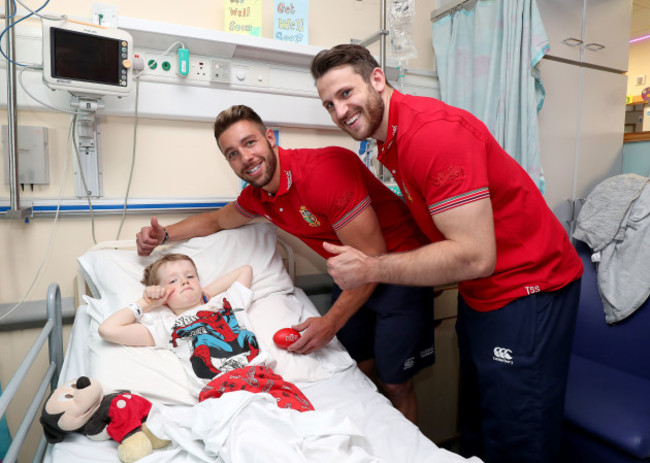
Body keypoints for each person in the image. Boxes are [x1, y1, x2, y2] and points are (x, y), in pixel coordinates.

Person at [310, 44, 584, 463]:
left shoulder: (430, 134)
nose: (339, 111)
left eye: (346, 94)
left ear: (377, 80)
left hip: (530, 287)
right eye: (329, 104)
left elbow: (475, 256)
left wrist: (371, 267)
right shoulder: (392, 142)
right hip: (483, 294)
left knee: (519, 435)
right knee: (479, 421)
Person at [135, 105, 435, 423]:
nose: (245, 158)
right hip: (351, 273)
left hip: (400, 267)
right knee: (358, 369)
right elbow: (216, 220)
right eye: (232, 153)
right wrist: (164, 234)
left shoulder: (323, 172)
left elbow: (371, 256)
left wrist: (331, 322)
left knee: (396, 383)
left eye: (250, 143)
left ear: (269, 138)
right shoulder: (260, 197)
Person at [98, 253, 313, 412]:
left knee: (303, 421)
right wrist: (146, 303)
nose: (184, 281)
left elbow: (244, 269)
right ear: (162, 292)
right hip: (221, 392)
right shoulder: (167, 326)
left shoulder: (228, 302)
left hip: (263, 379)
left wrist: (205, 295)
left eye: (190, 276)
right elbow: (108, 330)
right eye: (172, 281)